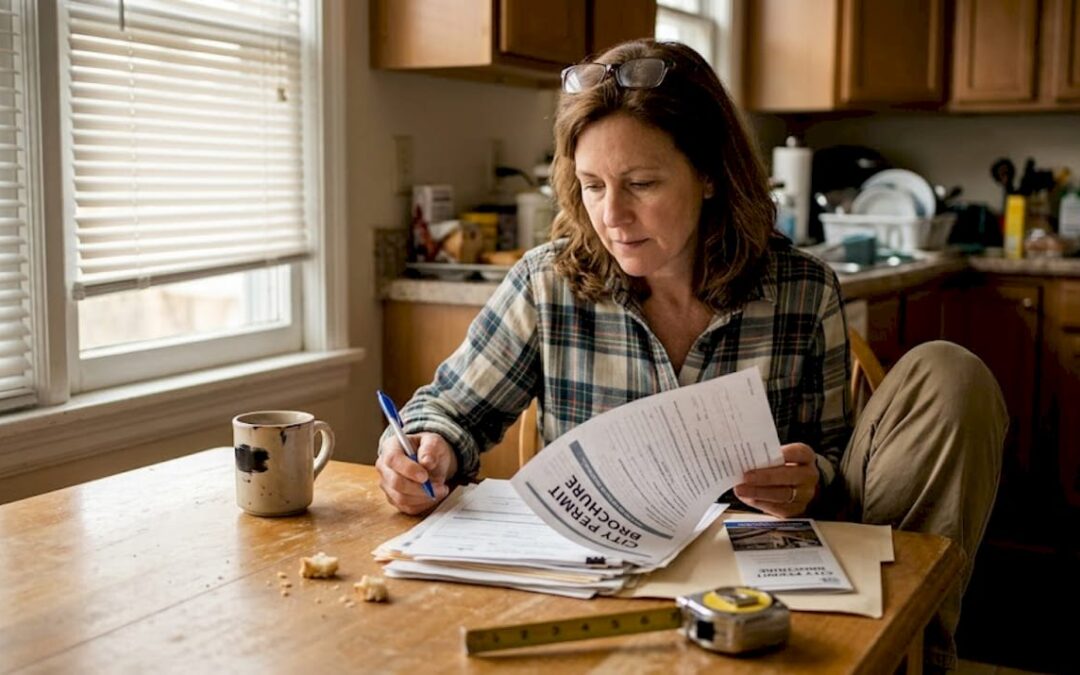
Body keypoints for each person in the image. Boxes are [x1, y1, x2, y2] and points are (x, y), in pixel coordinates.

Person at [375, 39, 1006, 671]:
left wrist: (808, 477)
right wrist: (424, 447)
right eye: (592, 186)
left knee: (950, 372)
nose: (612, 216)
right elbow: (448, 409)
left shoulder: (800, 288)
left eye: (641, 183)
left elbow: (840, 472)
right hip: (603, 582)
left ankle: (908, 652)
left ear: (709, 175)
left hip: (756, 585)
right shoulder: (548, 283)